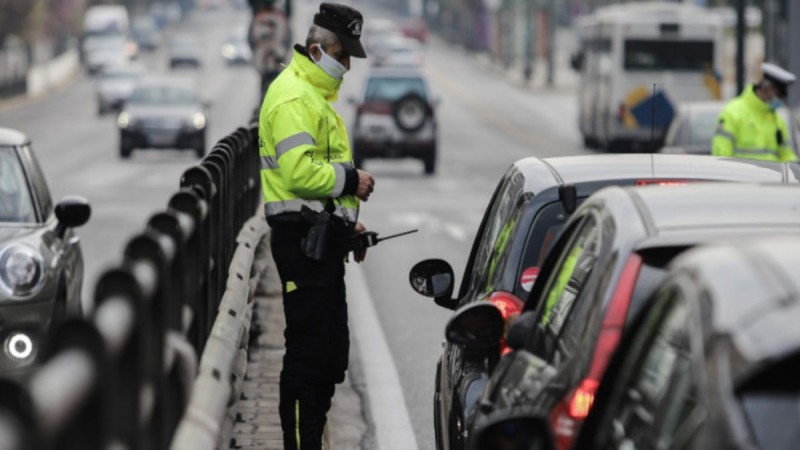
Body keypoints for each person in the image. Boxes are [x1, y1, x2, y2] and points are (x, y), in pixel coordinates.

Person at [257, 3, 375, 449]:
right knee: (309, 358)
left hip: (321, 244)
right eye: (342, 56)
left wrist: (351, 230)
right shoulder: (293, 98)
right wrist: (353, 179)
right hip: (300, 246)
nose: (346, 67)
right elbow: (299, 174)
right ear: (316, 50)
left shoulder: (314, 98)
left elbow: (318, 193)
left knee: (330, 357)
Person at [712, 62, 797, 162]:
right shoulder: (732, 113)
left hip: (772, 177)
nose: (778, 100)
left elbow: (786, 154)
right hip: (740, 177)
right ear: (766, 88)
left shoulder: (778, 120)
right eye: (777, 95)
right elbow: (722, 156)